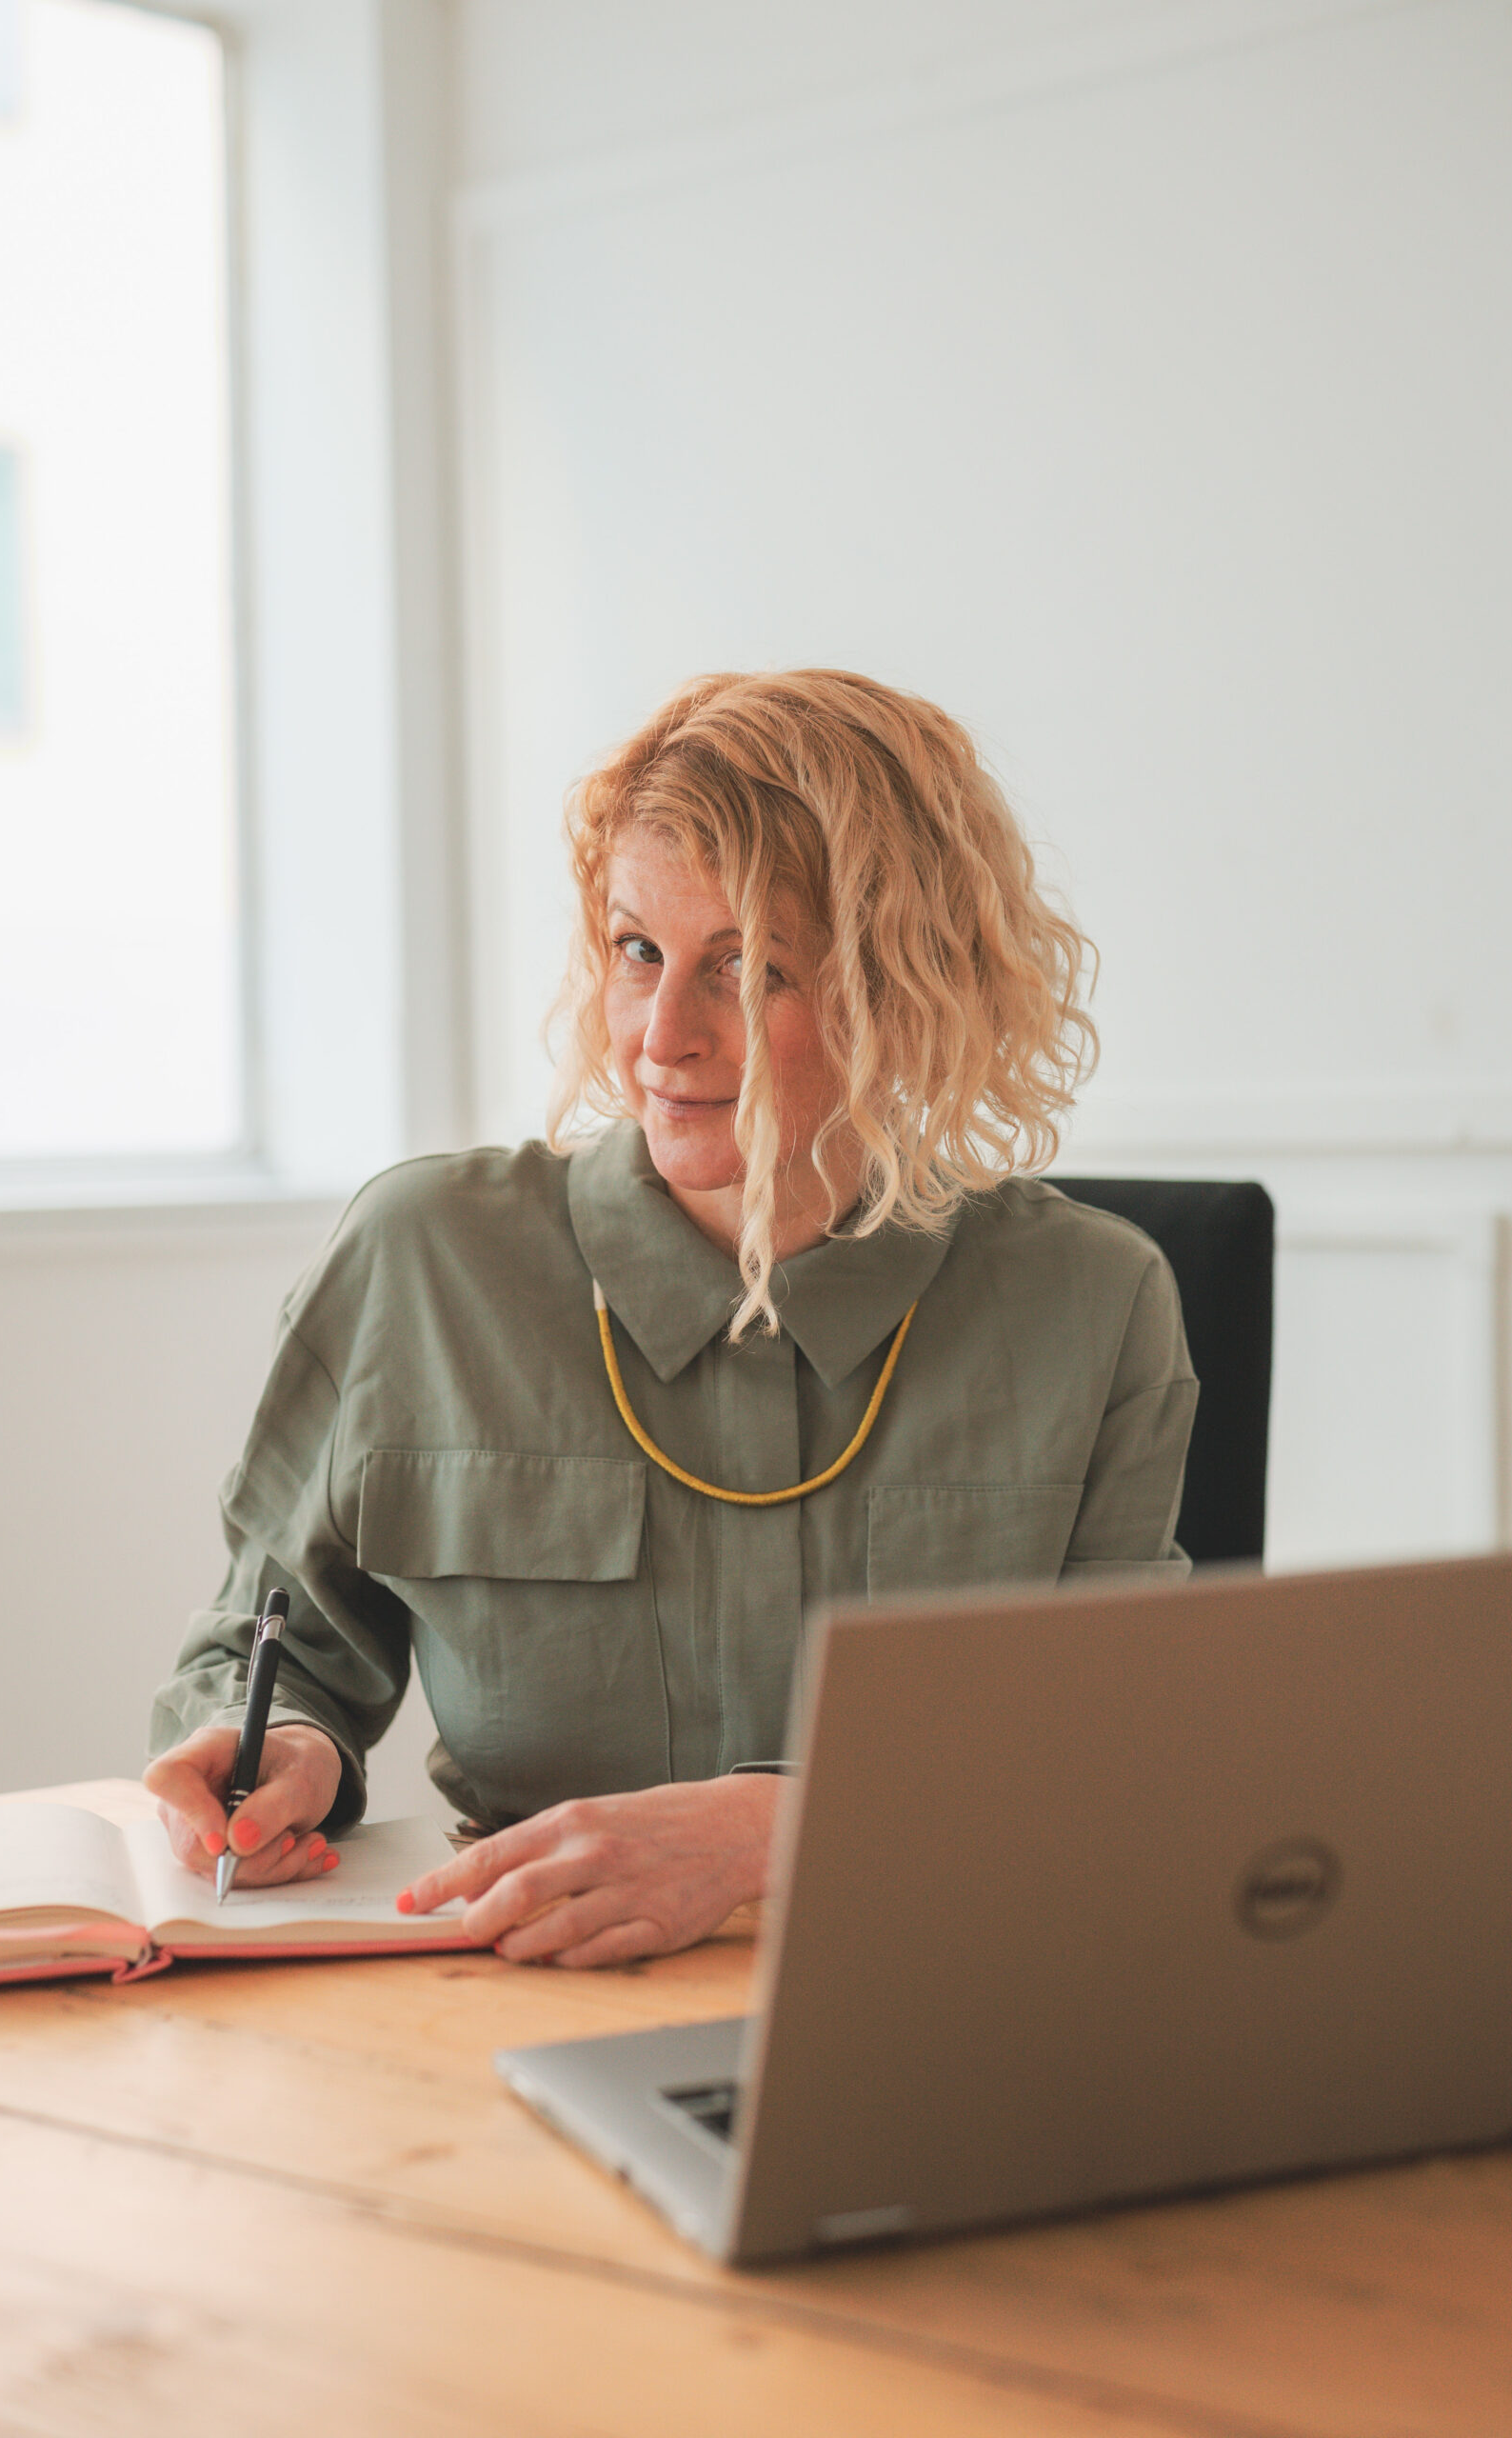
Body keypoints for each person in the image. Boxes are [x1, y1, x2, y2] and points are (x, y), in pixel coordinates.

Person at [147, 669, 1197, 1967]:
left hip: (945, 1977)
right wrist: (282, 1748)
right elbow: (278, 1647)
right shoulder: (424, 1256)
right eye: (639, 951)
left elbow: (1107, 1749)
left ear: (904, 991)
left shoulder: (1094, 1301)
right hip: (507, 1992)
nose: (660, 1037)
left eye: (750, 970)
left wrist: (777, 1830)